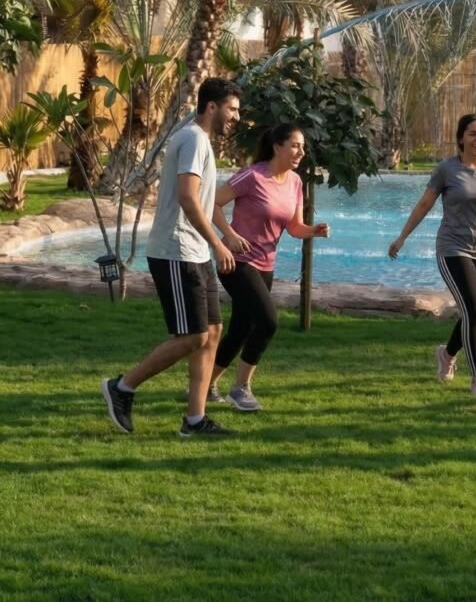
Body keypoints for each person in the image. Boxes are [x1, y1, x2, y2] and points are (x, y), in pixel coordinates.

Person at [101, 78, 242, 437]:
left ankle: (195, 420)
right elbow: (188, 198)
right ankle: (122, 387)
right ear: (212, 107)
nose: (237, 117)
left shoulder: (199, 140)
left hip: (194, 251)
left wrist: (223, 237)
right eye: (232, 109)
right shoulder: (193, 139)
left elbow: (202, 201)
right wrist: (218, 243)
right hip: (176, 250)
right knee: (193, 336)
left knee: (212, 332)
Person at [208, 123, 330, 412]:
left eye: (303, 147)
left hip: (266, 265)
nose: (301, 152)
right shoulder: (252, 176)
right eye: (295, 145)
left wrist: (314, 230)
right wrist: (230, 236)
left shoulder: (295, 182)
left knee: (241, 328)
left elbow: (294, 227)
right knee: (268, 321)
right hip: (236, 262)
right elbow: (212, 203)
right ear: (277, 146)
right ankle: (241, 388)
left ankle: (204, 384)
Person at [389, 113, 476, 396]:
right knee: (473, 311)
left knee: (475, 314)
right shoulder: (447, 169)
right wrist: (402, 237)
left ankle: (447, 354)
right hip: (453, 247)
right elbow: (424, 205)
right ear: (461, 138)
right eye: (472, 133)